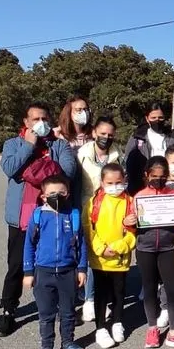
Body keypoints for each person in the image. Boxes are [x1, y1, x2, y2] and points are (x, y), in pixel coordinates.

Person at [0, 103, 78, 337]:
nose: (40, 122)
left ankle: (60, 309)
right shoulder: (13, 144)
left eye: (44, 118)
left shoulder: (59, 144)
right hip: (22, 216)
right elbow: (10, 168)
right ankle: (8, 312)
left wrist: (31, 170)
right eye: (35, 119)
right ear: (26, 122)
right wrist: (28, 146)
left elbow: (66, 174)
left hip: (53, 214)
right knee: (16, 265)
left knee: (56, 263)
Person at [22, 174, 89, 349]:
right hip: (43, 272)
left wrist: (82, 268)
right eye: (52, 193)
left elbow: (81, 245)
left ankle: (68, 342)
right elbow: (29, 245)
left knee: (68, 312)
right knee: (46, 313)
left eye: (61, 192)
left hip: (68, 272)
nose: (57, 196)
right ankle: (46, 347)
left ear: (68, 194)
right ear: (43, 196)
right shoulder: (38, 216)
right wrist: (28, 272)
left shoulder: (73, 215)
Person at [134, 157, 174, 349]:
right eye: (154, 176)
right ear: (146, 175)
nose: (158, 180)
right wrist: (128, 222)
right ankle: (152, 329)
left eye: (162, 177)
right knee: (150, 288)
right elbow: (131, 227)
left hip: (168, 247)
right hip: (145, 248)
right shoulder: (139, 196)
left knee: (173, 288)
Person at [84, 164, 137, 349]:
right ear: (102, 182)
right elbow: (89, 230)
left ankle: (117, 322)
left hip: (121, 258)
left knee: (119, 292)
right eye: (110, 183)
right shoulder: (93, 202)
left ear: (125, 180)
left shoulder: (131, 202)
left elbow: (134, 232)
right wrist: (100, 249)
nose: (115, 186)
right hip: (100, 259)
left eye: (118, 182)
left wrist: (120, 247)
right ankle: (100, 328)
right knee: (101, 293)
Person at [76, 116, 123, 322]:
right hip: (87, 206)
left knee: (108, 252)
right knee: (89, 253)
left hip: (111, 209)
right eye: (102, 133)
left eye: (110, 134)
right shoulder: (82, 154)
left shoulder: (117, 154)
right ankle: (89, 299)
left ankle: (105, 297)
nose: (106, 137)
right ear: (94, 133)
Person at [125, 103, 174, 192]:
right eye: (153, 118)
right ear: (147, 119)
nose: (157, 121)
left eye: (160, 118)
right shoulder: (138, 137)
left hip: (168, 186)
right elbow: (128, 162)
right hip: (143, 186)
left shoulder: (173, 137)